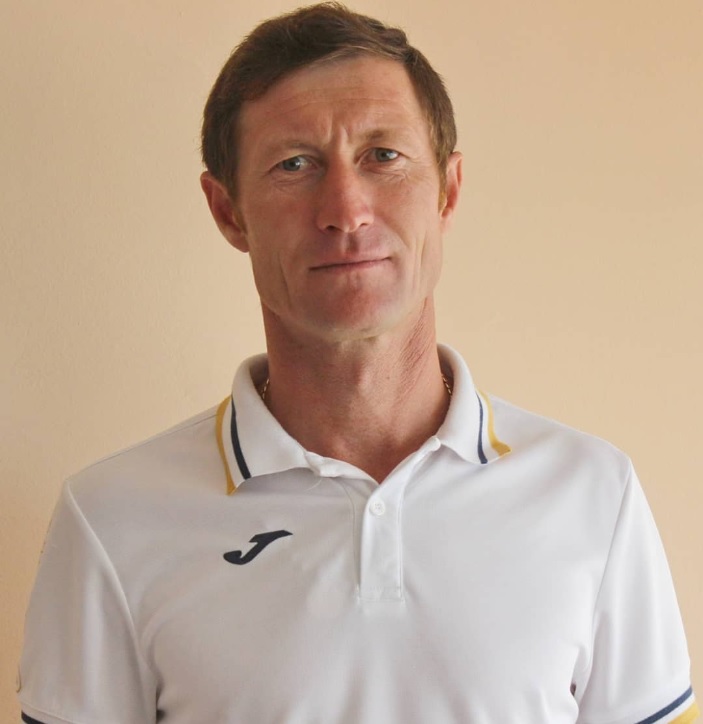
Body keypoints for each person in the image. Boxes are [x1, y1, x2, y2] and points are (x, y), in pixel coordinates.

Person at [17, 4, 697, 723]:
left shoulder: (592, 494)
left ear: (448, 189)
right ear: (228, 211)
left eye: (383, 156)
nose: (345, 209)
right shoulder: (111, 519)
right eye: (294, 164)